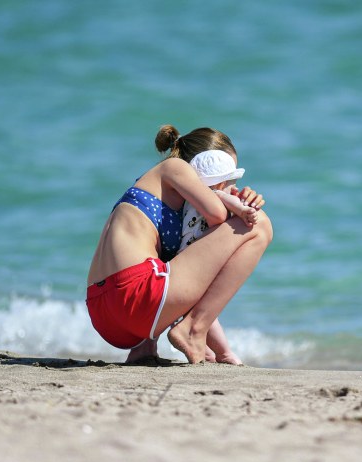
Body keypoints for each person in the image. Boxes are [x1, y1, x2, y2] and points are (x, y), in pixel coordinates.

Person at [86, 125, 272, 365]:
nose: (228, 187)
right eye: (225, 180)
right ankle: (193, 331)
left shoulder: (156, 190)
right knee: (258, 226)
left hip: (103, 312)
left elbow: (190, 277)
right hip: (135, 297)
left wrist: (222, 352)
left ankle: (145, 348)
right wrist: (237, 204)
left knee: (165, 259)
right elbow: (217, 214)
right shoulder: (174, 167)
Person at [181, 149, 259, 365]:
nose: (233, 187)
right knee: (207, 314)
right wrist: (244, 211)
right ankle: (225, 353)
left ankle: (207, 351)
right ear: (218, 183)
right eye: (231, 182)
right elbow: (223, 198)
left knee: (196, 312)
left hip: (183, 259)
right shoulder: (215, 195)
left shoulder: (188, 200)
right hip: (198, 263)